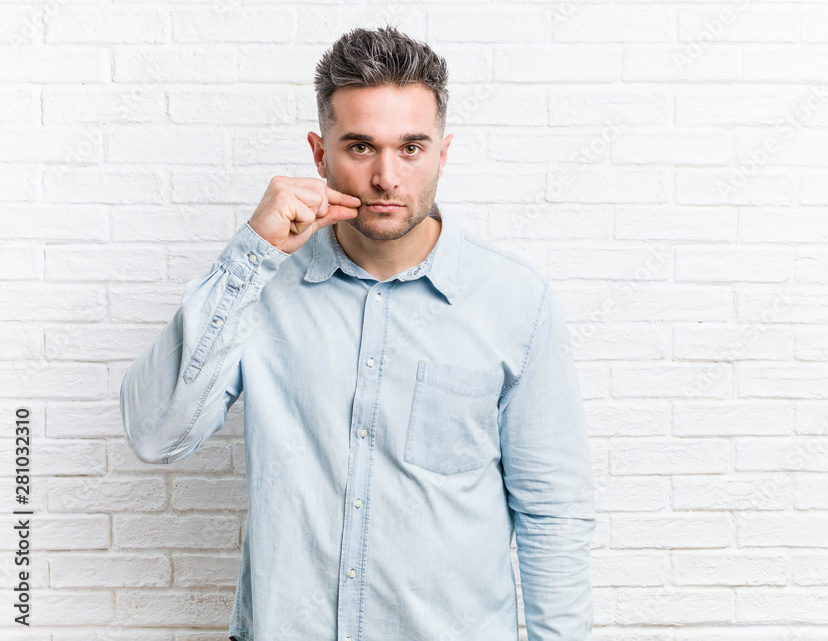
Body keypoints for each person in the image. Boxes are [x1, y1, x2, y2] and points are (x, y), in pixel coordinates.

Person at [119, 25, 595, 641]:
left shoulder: (515, 302)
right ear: (320, 154)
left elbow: (552, 512)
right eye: (362, 147)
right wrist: (250, 255)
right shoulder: (260, 290)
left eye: (412, 148)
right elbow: (156, 436)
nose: (387, 177)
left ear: (443, 154)